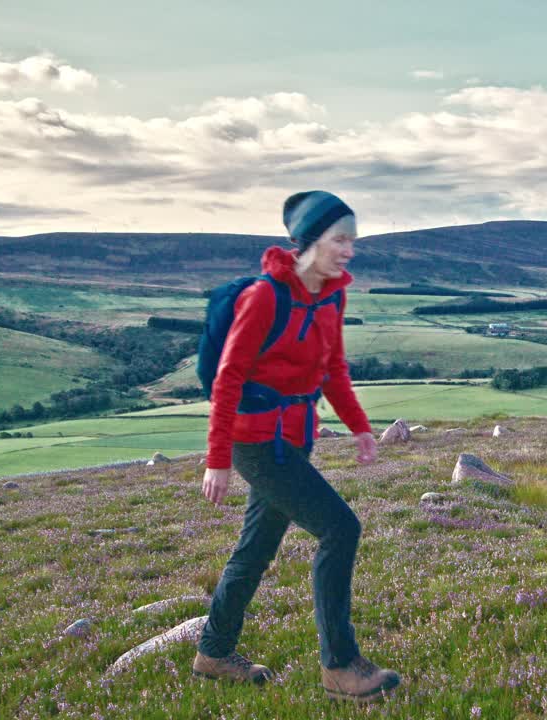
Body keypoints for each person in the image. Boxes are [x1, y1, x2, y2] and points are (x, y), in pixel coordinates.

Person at [193, 190, 401, 703]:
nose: (349, 249)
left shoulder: (331, 294)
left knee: (255, 551)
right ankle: (340, 665)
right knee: (340, 528)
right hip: (256, 444)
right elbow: (227, 379)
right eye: (340, 238)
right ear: (308, 240)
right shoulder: (264, 297)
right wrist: (219, 459)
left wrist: (359, 425)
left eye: (354, 239)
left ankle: (213, 654)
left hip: (296, 438)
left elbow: (332, 368)